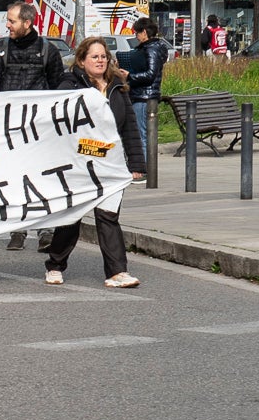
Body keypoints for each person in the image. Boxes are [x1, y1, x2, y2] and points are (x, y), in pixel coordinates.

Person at [44, 37, 146, 289]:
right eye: (95, 57)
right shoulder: (69, 85)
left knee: (108, 216)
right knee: (71, 218)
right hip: (80, 164)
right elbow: (56, 120)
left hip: (111, 164)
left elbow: (130, 126)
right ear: (81, 60)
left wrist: (136, 163)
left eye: (104, 56)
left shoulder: (117, 86)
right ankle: (55, 265)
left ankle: (117, 272)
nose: (101, 61)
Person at [0, 1, 67, 252]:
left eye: (12, 21)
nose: (7, 25)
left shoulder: (48, 51)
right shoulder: (1, 49)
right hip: (11, 128)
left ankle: (46, 230)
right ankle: (17, 230)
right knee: (14, 179)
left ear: (27, 23)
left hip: (40, 130)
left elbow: (59, 87)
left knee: (43, 180)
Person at [126, 16, 169, 165]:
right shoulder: (154, 47)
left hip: (144, 96)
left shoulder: (151, 49)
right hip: (145, 94)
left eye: (137, 33)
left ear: (144, 32)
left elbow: (151, 74)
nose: (136, 36)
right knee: (143, 133)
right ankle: (144, 168)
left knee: (141, 134)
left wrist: (129, 75)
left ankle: (143, 168)